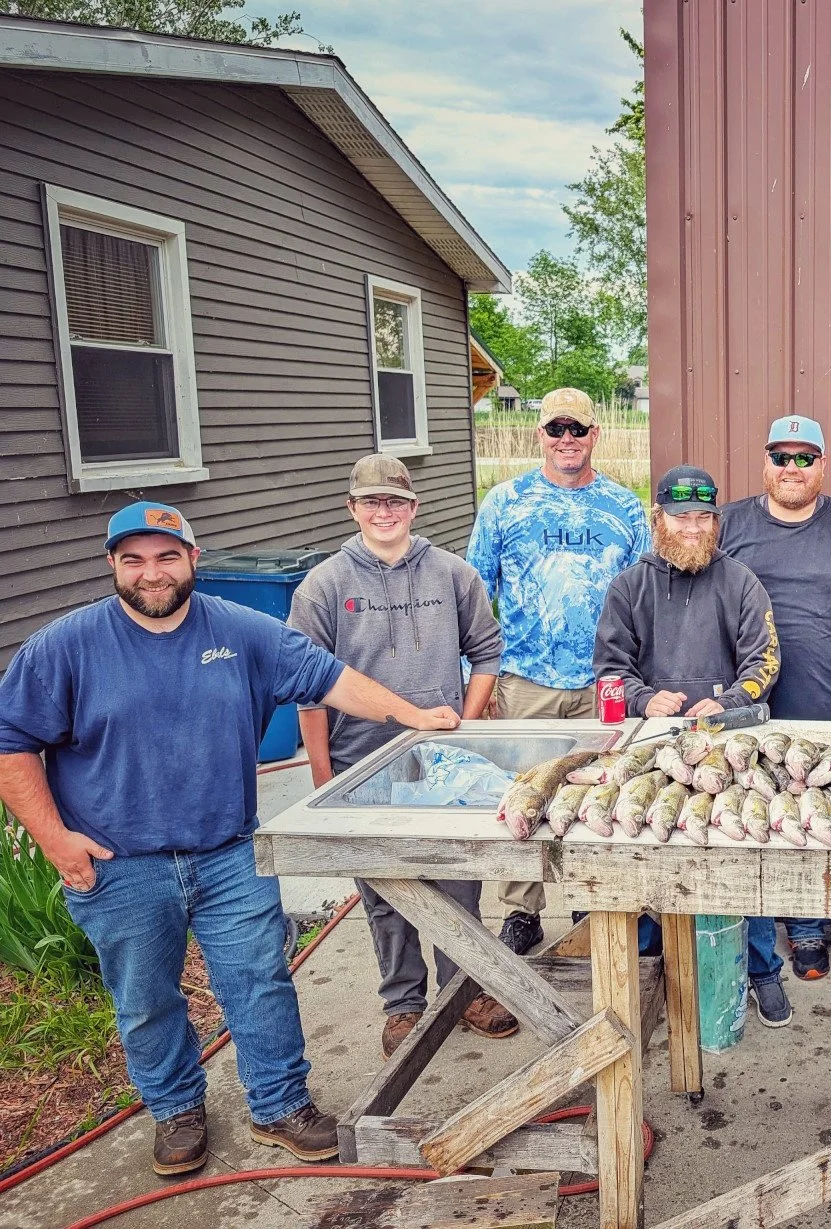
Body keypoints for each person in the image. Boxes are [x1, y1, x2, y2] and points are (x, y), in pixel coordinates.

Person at [0, 502, 462, 1177]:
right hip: (120, 864)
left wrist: (412, 713)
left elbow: (330, 677)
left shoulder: (241, 630)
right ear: (113, 566)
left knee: (260, 980)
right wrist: (54, 839)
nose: (151, 573)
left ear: (192, 558)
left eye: (166, 556)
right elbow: (13, 743)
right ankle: (176, 1109)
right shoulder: (65, 646)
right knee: (147, 998)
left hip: (228, 852)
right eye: (134, 559)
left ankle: (280, 1105)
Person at [289, 455, 518, 1058]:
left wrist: (468, 725)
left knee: (458, 879)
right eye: (371, 502)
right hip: (360, 760)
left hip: (444, 761)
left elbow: (487, 651)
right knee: (385, 890)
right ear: (352, 508)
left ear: (413, 508)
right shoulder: (325, 585)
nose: (383, 512)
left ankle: (467, 990)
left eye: (395, 501)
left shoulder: (452, 574)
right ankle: (404, 1003)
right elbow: (304, 685)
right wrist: (321, 777)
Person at [593, 466, 784, 1016]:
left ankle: (762, 969)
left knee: (743, 858)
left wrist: (727, 705)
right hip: (652, 750)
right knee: (648, 858)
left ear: (716, 521)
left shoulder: (741, 582)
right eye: (682, 518)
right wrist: (639, 697)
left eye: (704, 518)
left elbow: (764, 660)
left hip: (725, 747)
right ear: (660, 520)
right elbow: (608, 668)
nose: (694, 529)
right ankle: (651, 975)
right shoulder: (629, 587)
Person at [466, 387, 650, 956]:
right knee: (525, 792)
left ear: (596, 435)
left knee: (600, 791)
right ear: (538, 434)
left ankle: (589, 898)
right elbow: (475, 594)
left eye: (578, 429)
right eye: (555, 429)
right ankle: (523, 909)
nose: (566, 439)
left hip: (606, 682)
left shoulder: (626, 509)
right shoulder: (505, 502)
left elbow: (647, 597)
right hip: (526, 681)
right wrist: (481, 676)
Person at [720, 416, 831, 988]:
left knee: (813, 814)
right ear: (765, 463)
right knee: (752, 813)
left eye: (805, 457)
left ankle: (811, 922)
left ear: (824, 465)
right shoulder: (727, 525)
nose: (792, 468)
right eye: (781, 456)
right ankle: (756, 925)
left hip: (825, 704)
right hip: (741, 708)